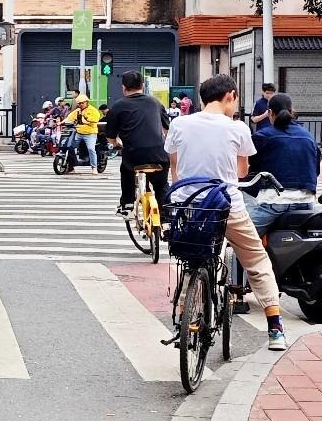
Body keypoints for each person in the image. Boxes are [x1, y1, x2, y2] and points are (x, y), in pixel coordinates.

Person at [166, 73, 287, 352]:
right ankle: (275, 328)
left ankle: (185, 312)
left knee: (192, 256)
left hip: (188, 203)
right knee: (256, 259)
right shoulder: (237, 128)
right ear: (230, 96)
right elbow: (242, 171)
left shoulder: (179, 123)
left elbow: (174, 165)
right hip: (225, 204)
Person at [247, 93, 322, 233]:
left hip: (273, 203)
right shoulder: (309, 137)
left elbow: (250, 168)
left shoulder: (263, 136)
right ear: (292, 111)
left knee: (244, 240)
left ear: (269, 112)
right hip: (305, 204)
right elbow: (315, 168)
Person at [105, 71, 171, 217]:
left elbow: (110, 137)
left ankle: (127, 204)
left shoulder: (118, 106)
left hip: (134, 155)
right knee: (161, 185)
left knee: (126, 170)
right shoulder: (156, 103)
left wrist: (116, 143)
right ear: (142, 86)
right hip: (159, 154)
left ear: (124, 88)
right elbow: (168, 129)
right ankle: (167, 218)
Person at [65, 93, 102, 173]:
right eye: (79, 103)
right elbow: (69, 118)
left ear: (86, 102)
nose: (81, 105)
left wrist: (87, 118)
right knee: (69, 146)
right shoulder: (77, 111)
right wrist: (61, 122)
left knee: (91, 149)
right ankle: (71, 166)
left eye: (82, 103)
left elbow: (96, 119)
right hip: (78, 133)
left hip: (90, 134)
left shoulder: (93, 110)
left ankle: (94, 167)